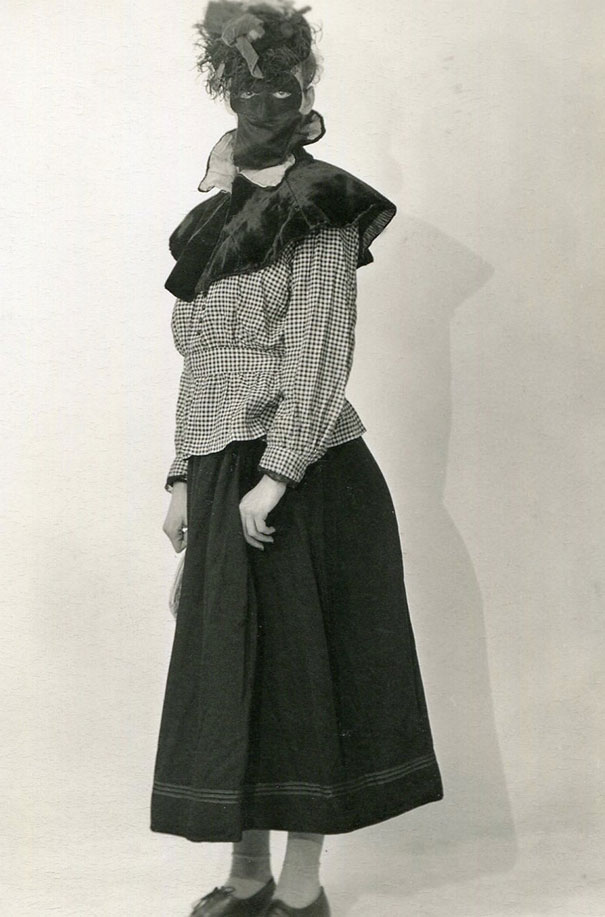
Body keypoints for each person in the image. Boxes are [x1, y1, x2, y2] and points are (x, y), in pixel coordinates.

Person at [150, 3, 444, 915]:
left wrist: (277, 474)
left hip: (304, 470)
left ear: (306, 96)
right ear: (226, 96)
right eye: (247, 86)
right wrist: (178, 475)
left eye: (282, 87)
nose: (264, 100)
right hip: (218, 466)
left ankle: (303, 887)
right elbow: (203, 360)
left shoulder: (323, 204)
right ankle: (244, 874)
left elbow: (319, 347)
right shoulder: (214, 218)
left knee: (302, 672)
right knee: (232, 669)